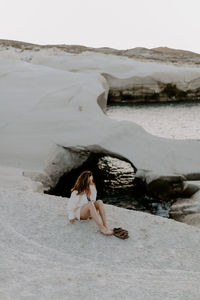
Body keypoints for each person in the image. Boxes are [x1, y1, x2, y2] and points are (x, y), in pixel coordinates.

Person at [67, 170, 113, 236]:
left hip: (88, 210)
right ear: (85, 181)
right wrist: (71, 217)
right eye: (90, 181)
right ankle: (101, 228)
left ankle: (105, 225)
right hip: (79, 213)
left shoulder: (92, 188)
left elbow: (93, 200)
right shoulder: (77, 191)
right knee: (90, 204)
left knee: (99, 202)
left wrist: (92, 188)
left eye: (92, 180)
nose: (91, 182)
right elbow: (70, 205)